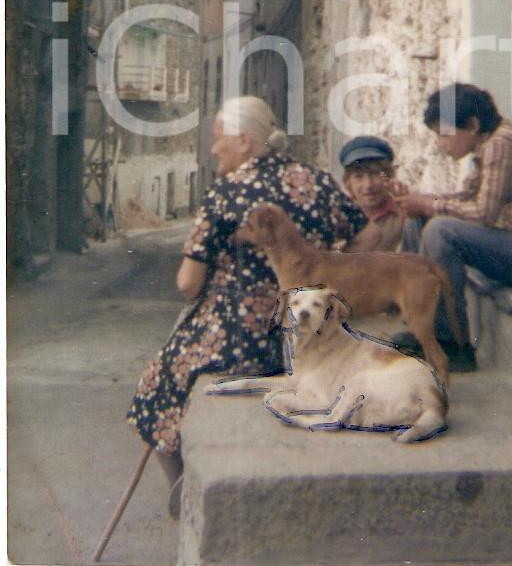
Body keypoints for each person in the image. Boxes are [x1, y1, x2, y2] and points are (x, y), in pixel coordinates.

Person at [127, 96, 367, 513]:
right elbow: (365, 242)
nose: (212, 148)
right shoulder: (319, 182)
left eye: (218, 139)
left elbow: (187, 283)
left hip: (241, 339)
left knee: (154, 387)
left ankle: (182, 494)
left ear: (243, 140)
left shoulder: (227, 191)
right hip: (311, 333)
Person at [394, 83, 512, 372]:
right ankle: (420, 328)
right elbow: (467, 198)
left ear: (473, 125)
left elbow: (483, 213)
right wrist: (422, 202)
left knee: (441, 231)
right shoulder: (486, 145)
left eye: (444, 134)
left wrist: (431, 205)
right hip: (503, 242)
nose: (440, 143)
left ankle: (453, 342)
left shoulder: (501, 144)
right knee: (418, 221)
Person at [339, 135, 405, 252]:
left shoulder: (402, 213)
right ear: (348, 182)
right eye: (358, 177)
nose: (368, 185)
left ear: (388, 177)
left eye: (375, 174)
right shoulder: (340, 216)